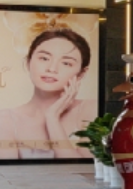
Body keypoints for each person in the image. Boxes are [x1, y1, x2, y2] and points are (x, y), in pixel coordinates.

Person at [0, 28, 96, 159]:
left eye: (66, 63)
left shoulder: (90, 110)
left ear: (81, 73)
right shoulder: (5, 119)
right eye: (44, 58)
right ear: (28, 62)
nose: (52, 68)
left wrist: (52, 118)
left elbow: (80, 169)